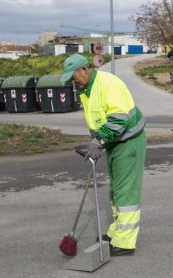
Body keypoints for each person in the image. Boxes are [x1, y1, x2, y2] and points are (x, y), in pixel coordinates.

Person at [61, 53, 147, 256]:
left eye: (74, 78)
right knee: (116, 190)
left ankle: (125, 242)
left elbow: (119, 119)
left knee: (126, 191)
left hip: (129, 141)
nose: (73, 83)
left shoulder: (107, 84)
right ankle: (117, 233)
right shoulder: (87, 89)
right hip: (114, 142)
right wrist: (99, 142)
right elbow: (99, 120)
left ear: (85, 69)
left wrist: (98, 141)